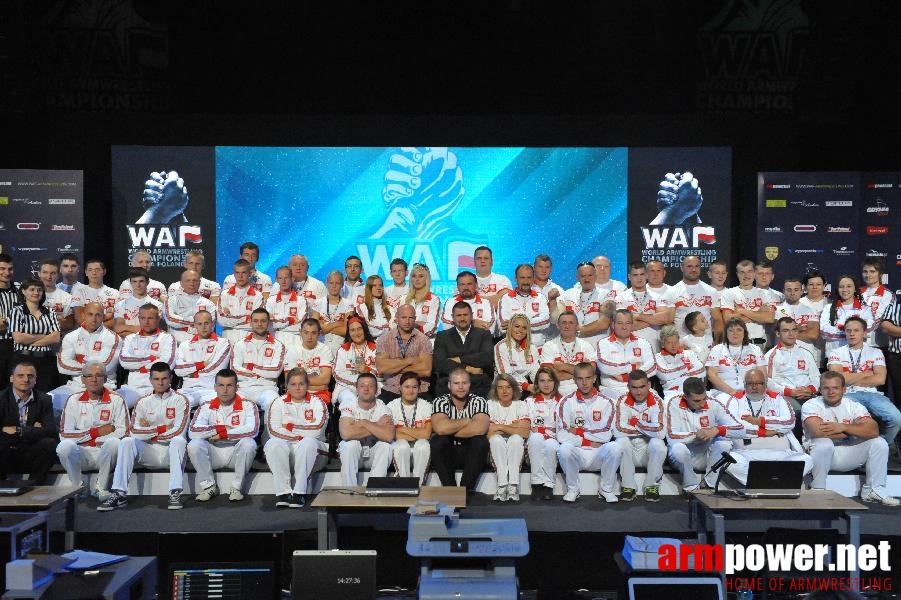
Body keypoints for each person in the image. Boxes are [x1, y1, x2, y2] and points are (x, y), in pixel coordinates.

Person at [98, 362, 190, 511]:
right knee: (127, 441)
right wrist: (162, 428)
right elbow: (133, 431)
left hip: (170, 453)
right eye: (156, 379)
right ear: (150, 380)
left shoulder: (181, 400)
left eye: (164, 378)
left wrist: (148, 431)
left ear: (171, 378)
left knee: (179, 441)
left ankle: (175, 492)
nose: (160, 382)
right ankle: (119, 493)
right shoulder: (143, 402)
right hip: (149, 452)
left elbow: (177, 432)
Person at [802, 371, 898, 505]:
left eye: (835, 388)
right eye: (826, 388)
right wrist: (857, 430)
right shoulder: (811, 405)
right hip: (820, 457)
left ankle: (873, 490)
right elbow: (818, 432)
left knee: (879, 442)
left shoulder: (854, 405)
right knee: (823, 443)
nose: (831, 392)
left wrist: (843, 427)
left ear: (844, 389)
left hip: (848, 453)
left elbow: (873, 430)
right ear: (820, 390)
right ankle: (818, 488)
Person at [722, 370, 811, 485]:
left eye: (759, 383)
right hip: (745, 453)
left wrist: (758, 421)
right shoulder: (735, 400)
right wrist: (770, 431)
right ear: (744, 385)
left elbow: (789, 422)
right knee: (730, 462)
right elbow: (733, 425)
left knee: (807, 460)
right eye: (750, 383)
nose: (754, 387)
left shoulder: (778, 399)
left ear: (765, 384)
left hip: (780, 454)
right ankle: (773, 481)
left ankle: (761, 481)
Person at [56, 361, 129, 500]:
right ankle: (78, 487)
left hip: (104, 453)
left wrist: (93, 440)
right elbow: (65, 434)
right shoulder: (73, 400)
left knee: (115, 443)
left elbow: (123, 432)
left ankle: (101, 487)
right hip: (81, 453)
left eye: (98, 375)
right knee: (64, 447)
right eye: (89, 376)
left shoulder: (117, 400)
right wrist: (96, 432)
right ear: (83, 379)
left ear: (105, 379)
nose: (93, 379)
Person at [826, 316, 901, 447]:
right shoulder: (836, 352)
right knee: (847, 421)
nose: (852, 334)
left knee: (896, 419)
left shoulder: (875, 352)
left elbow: (880, 379)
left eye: (856, 330)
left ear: (865, 333)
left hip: (872, 394)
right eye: (848, 330)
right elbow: (837, 380)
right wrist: (867, 374)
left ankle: (880, 446)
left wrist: (849, 377)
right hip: (847, 394)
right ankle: (854, 449)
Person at [187, 369, 259, 502]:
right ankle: (209, 487)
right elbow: (193, 431)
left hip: (236, 454)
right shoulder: (205, 406)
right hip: (213, 453)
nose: (225, 390)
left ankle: (236, 488)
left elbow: (252, 430)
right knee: (194, 444)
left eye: (229, 385)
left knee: (249, 443)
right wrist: (221, 428)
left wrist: (224, 434)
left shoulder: (248, 405)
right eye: (221, 385)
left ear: (236, 387)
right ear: (215, 387)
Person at [555, 362, 622, 503]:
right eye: (580, 379)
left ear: (595, 378)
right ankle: (573, 489)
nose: (584, 383)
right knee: (564, 448)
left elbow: (606, 435)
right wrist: (587, 441)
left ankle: (606, 489)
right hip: (577, 453)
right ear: (574, 380)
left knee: (615, 447)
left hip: (598, 453)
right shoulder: (565, 402)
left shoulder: (607, 402)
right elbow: (562, 435)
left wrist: (578, 431)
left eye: (588, 378)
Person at [666, 377, 744, 494]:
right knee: (678, 449)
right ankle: (690, 487)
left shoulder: (713, 403)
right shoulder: (673, 403)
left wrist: (717, 430)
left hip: (706, 454)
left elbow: (741, 429)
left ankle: (708, 485)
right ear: (685, 397)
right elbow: (671, 437)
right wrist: (696, 436)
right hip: (681, 457)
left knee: (724, 443)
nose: (702, 403)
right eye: (697, 401)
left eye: (704, 399)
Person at [264, 368, 329, 508]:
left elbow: (317, 431)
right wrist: (302, 433)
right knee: (272, 444)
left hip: (315, 453)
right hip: (289, 451)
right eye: (293, 384)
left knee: (308, 442)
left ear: (307, 385)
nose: (297, 387)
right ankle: (283, 493)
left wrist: (289, 427)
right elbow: (273, 431)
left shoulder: (318, 402)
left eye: (301, 383)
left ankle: (300, 493)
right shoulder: (277, 402)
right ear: (286, 386)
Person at [53, 302, 122, 415]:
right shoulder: (71, 337)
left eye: (98, 315)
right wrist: (92, 364)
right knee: (49, 400)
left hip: (103, 387)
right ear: (83, 315)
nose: (94, 319)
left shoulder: (113, 338)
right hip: (75, 386)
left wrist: (78, 359)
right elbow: (62, 367)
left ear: (103, 317)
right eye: (90, 314)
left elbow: (105, 367)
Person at [430, 367, 490, 494]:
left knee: (481, 441)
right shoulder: (440, 401)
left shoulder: (479, 401)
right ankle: (451, 491)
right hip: (449, 453)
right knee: (437, 441)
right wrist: (466, 421)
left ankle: (465, 491)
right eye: (456, 383)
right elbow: (440, 429)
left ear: (469, 384)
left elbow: (480, 428)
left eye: (464, 383)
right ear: (449, 385)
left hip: (471, 453)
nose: (461, 387)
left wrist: (450, 428)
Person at [0, 361, 57, 484]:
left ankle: (35, 487)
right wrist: (35, 430)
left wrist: (19, 430)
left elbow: (50, 430)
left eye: (30, 376)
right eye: (20, 375)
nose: (26, 379)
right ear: (12, 378)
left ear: (35, 380)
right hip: (6, 452)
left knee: (49, 444)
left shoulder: (44, 399)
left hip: (30, 452)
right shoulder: (1, 399)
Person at [613, 370, 666, 502]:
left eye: (642, 387)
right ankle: (627, 486)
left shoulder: (657, 401)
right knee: (621, 441)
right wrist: (647, 428)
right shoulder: (622, 400)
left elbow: (661, 432)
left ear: (649, 385)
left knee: (658, 444)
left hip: (648, 452)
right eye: (634, 387)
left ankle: (652, 486)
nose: (638, 392)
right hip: (629, 452)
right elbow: (618, 430)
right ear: (628, 387)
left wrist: (635, 423)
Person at [337, 373, 394, 485]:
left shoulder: (384, 408)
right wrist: (376, 424)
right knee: (349, 444)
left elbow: (389, 436)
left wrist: (364, 423)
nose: (366, 389)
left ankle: (375, 487)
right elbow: (346, 434)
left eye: (370, 386)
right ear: (357, 389)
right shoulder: (348, 405)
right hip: (354, 456)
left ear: (377, 390)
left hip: (373, 455)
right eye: (362, 386)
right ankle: (350, 490)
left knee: (386, 446)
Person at [118, 304, 177, 408]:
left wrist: (137, 365)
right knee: (113, 404)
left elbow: (167, 365)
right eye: (143, 318)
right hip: (132, 388)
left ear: (158, 319)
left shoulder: (167, 338)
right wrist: (151, 358)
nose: (146, 322)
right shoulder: (130, 338)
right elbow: (124, 361)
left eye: (150, 318)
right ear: (139, 319)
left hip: (156, 388)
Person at [230, 308, 287, 414]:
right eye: (256, 321)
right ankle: (241, 431)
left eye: (263, 321)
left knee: (273, 402)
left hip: (267, 388)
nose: (259, 324)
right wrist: (262, 374)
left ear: (268, 323)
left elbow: (275, 373)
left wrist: (250, 366)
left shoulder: (278, 345)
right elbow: (235, 371)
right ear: (250, 323)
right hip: (243, 388)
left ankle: (267, 431)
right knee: (233, 403)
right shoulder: (239, 344)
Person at [8, 277, 61, 391]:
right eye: (32, 289)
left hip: (46, 362)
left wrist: (30, 341)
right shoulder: (17, 311)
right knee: (22, 393)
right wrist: (45, 335)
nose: (36, 293)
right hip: (23, 360)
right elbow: (18, 338)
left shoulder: (50, 312)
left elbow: (56, 337)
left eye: (39, 290)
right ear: (23, 291)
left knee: (45, 395)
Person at [433, 302, 494, 397]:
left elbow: (487, 357)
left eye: (465, 315)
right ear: (452, 317)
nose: (462, 318)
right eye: (458, 315)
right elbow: (440, 364)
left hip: (478, 385)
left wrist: (459, 359)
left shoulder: (483, 334)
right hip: (449, 386)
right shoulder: (442, 336)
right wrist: (468, 368)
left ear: (471, 316)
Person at [374, 304, 432, 402]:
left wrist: (394, 366)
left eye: (411, 318)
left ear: (415, 319)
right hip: (392, 390)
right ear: (397, 318)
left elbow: (426, 371)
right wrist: (410, 360)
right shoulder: (384, 339)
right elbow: (382, 368)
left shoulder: (424, 340)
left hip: (419, 390)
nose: (407, 321)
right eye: (404, 317)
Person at [486, 374, 530, 502]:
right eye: (500, 388)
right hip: (494, 448)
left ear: (514, 389)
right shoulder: (489, 404)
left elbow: (525, 432)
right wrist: (514, 426)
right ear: (495, 390)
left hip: (516, 446)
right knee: (496, 440)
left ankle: (513, 486)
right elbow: (487, 431)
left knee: (515, 439)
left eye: (508, 387)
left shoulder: (521, 405)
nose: (504, 391)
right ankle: (502, 485)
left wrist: (499, 426)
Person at [173, 310, 230, 408]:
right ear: (194, 325)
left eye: (206, 323)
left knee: (209, 408)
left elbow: (217, 370)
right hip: (187, 389)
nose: (203, 327)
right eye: (199, 324)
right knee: (176, 406)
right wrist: (201, 365)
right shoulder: (184, 345)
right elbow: (178, 370)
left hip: (210, 390)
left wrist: (191, 373)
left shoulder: (223, 343)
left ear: (212, 324)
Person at [764, 317, 820, 414]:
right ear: (778, 333)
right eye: (786, 331)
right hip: (786, 396)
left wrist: (810, 389)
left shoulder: (806, 353)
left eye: (794, 330)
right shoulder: (771, 355)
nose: (791, 334)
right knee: (799, 412)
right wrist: (790, 392)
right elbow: (768, 383)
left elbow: (816, 377)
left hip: (808, 395)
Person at [616, 261, 674, 353]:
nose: (639, 278)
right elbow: (625, 326)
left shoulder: (658, 296)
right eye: (635, 275)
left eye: (642, 274)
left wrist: (637, 316)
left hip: (654, 347)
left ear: (646, 275)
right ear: (629, 277)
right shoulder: (621, 297)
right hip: (629, 348)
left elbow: (665, 318)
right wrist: (653, 318)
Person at [720, 260, 776, 353]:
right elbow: (728, 320)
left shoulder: (765, 294)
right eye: (742, 272)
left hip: (759, 345)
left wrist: (742, 311)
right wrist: (759, 314)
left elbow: (769, 318)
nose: (746, 276)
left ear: (754, 273)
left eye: (749, 271)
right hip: (735, 344)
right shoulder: (729, 293)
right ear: (737, 274)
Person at [386, 371, 433, 483]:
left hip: (420, 449)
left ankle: (419, 484)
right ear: (400, 388)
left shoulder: (426, 406)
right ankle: (404, 484)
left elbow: (426, 434)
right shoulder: (391, 406)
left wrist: (401, 429)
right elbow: (391, 434)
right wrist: (417, 433)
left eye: (414, 387)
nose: (411, 391)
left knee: (423, 444)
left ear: (419, 389)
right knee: (401, 444)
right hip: (400, 449)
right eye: (407, 387)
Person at [596, 310, 656, 397]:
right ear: (613, 325)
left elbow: (652, 368)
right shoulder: (603, 343)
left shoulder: (644, 343)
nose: (624, 327)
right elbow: (604, 367)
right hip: (612, 389)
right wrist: (634, 366)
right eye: (620, 323)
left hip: (638, 389)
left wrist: (625, 377)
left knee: (657, 400)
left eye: (628, 323)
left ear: (632, 325)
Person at [665, 255, 724, 343]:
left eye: (697, 266)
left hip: (706, 345)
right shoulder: (672, 291)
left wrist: (716, 343)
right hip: (682, 346)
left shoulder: (711, 291)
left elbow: (718, 320)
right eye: (689, 266)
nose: (693, 270)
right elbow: (669, 322)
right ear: (682, 268)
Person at [705, 318, 765, 403]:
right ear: (726, 333)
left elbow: (762, 374)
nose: (735, 333)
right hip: (723, 393)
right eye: (731, 330)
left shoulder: (755, 349)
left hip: (751, 391)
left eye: (739, 330)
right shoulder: (717, 349)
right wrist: (732, 392)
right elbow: (712, 375)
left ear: (745, 333)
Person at [540, 310, 597, 397]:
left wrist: (563, 367)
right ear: (558, 326)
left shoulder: (586, 346)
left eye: (571, 323)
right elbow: (548, 376)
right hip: (556, 391)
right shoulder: (549, 346)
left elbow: (591, 372)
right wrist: (580, 373)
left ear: (577, 326)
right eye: (564, 323)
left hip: (582, 391)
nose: (567, 326)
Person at [525, 366, 561, 500]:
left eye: (550, 380)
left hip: (553, 443)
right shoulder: (529, 401)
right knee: (536, 438)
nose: (546, 384)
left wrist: (541, 430)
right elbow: (528, 427)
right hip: (534, 445)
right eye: (542, 381)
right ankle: (536, 484)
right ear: (537, 383)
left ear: (555, 383)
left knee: (550, 444)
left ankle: (548, 485)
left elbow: (562, 429)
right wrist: (546, 431)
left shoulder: (563, 402)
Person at [560, 261, 614, 349]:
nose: (587, 279)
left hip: (598, 348)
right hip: (574, 348)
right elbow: (557, 319)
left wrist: (576, 329)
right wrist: (552, 302)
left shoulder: (606, 295)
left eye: (590, 275)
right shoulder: (568, 294)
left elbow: (604, 323)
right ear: (577, 278)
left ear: (595, 276)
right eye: (583, 276)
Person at [820, 274, 875, 355]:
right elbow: (824, 332)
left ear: (855, 289)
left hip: (860, 356)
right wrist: (854, 332)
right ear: (837, 289)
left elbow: (868, 331)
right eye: (841, 287)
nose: (845, 289)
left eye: (849, 286)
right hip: (834, 356)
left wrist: (839, 329)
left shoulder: (865, 310)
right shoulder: (828, 308)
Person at [498, 264, 551, 346]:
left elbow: (546, 322)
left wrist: (515, 324)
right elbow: (503, 328)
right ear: (516, 279)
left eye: (529, 278)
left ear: (533, 279)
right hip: (514, 349)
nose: (526, 282)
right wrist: (535, 322)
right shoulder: (506, 298)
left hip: (538, 348)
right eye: (522, 278)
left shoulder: (541, 297)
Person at [332, 316, 380, 405]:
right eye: (352, 330)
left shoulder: (376, 348)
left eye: (359, 329)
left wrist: (367, 371)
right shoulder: (343, 350)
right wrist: (357, 383)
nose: (356, 333)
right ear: (349, 332)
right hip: (347, 387)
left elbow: (382, 371)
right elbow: (337, 373)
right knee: (349, 400)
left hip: (372, 385)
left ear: (364, 330)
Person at [654, 325, 705, 405]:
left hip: (694, 391)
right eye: (669, 342)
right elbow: (665, 376)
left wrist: (674, 372)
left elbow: (702, 371)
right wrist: (688, 368)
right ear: (663, 344)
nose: (673, 345)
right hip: (672, 393)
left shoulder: (689, 353)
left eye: (676, 342)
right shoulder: (657, 358)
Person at [288, 318, 334, 404]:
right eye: (306, 333)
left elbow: (325, 380)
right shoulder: (292, 351)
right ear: (300, 332)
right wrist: (317, 384)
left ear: (319, 333)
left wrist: (299, 383)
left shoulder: (325, 350)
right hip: (296, 394)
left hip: (320, 394)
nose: (309, 337)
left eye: (313, 333)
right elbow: (289, 380)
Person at [163, 270, 216, 344]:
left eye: (195, 280)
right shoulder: (172, 300)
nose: (191, 283)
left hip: (201, 343)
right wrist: (197, 323)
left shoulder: (209, 304)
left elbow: (211, 325)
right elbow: (170, 319)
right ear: (181, 283)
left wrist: (184, 326)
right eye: (188, 280)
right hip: (177, 344)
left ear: (199, 283)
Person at [218, 259, 265, 343]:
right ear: (234, 274)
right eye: (237, 273)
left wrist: (230, 317)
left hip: (249, 339)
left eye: (243, 272)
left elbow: (257, 322)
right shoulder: (224, 294)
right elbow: (221, 321)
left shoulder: (258, 296)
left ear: (250, 274)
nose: (240, 276)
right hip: (228, 338)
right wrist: (247, 318)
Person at [266, 265, 309, 348]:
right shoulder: (270, 300)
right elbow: (269, 325)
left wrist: (277, 324)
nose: (283, 281)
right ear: (277, 280)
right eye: (280, 278)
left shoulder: (301, 300)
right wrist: (291, 320)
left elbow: (301, 326)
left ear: (292, 279)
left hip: (295, 342)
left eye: (286, 278)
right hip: (274, 342)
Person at [310, 270, 353, 353]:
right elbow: (314, 328)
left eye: (337, 283)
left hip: (341, 348)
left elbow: (347, 331)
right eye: (331, 283)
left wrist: (324, 327)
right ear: (327, 284)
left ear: (342, 284)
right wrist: (337, 324)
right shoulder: (318, 303)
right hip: (320, 347)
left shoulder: (348, 304)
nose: (334, 286)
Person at [494, 314, 539, 392]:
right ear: (510, 327)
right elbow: (506, 376)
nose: (520, 330)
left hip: (526, 388)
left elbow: (535, 371)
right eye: (517, 326)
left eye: (524, 328)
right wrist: (526, 386)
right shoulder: (501, 346)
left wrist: (539, 384)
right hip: (504, 389)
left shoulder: (532, 348)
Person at [114, 268, 164, 337]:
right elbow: (118, 328)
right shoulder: (121, 304)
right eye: (134, 281)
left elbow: (153, 329)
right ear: (130, 283)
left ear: (147, 282)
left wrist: (126, 328)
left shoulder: (158, 305)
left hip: (150, 345)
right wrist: (143, 331)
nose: (138, 285)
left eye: (141, 281)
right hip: (128, 345)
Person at [70, 259, 118, 328]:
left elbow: (117, 320)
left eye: (97, 269)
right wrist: (106, 317)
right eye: (90, 270)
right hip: (85, 335)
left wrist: (99, 329)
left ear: (104, 272)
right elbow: (80, 318)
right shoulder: (79, 292)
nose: (94, 273)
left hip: (108, 335)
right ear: (86, 272)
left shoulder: (115, 293)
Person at [861, 257, 894, 349]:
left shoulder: (887, 295)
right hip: (857, 344)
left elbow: (879, 318)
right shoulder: (856, 293)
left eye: (872, 271)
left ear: (880, 274)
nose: (868, 275)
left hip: (878, 345)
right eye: (865, 271)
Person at [402, 263, 440, 340]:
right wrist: (418, 324)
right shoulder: (403, 299)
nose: (417, 279)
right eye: (414, 276)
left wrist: (409, 324)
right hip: (404, 341)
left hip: (425, 342)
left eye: (421, 276)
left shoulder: (433, 299)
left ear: (427, 278)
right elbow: (396, 322)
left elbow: (432, 326)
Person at [472, 246, 512, 317]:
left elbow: (506, 302)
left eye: (486, 258)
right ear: (474, 262)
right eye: (479, 258)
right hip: (473, 324)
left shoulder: (503, 280)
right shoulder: (465, 281)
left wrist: (474, 300)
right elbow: (461, 306)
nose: (482, 261)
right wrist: (496, 298)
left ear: (492, 262)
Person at [39, 259, 74, 336]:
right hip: (33, 342)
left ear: (58, 275)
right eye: (45, 272)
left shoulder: (67, 297)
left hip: (57, 341)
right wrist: (56, 319)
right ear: (39, 274)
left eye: (53, 273)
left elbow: (69, 324)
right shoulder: (31, 295)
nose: (49, 277)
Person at [531, 254, 564, 332]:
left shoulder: (558, 290)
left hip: (552, 339)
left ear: (551, 269)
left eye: (547, 267)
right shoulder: (526, 289)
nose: (544, 270)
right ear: (534, 267)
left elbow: (560, 317)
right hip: (531, 338)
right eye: (540, 267)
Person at [355, 275, 393, 340]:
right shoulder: (361, 308)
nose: (378, 288)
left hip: (388, 343)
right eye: (374, 285)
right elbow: (369, 331)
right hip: (370, 345)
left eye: (380, 285)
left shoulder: (389, 307)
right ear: (369, 288)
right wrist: (385, 328)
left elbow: (394, 329)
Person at [0, 254, 18, 380]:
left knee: (14, 384)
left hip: (16, 345)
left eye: (10, 269)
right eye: (2, 269)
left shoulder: (21, 290)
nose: (7, 272)